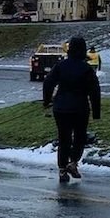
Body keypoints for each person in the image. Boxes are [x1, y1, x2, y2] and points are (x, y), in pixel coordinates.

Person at [42, 36, 101, 183]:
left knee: (64, 138)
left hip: (61, 107)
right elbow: (95, 91)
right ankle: (73, 163)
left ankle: (62, 169)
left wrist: (47, 101)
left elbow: (48, 83)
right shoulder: (86, 69)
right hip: (80, 108)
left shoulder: (61, 66)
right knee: (79, 137)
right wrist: (96, 111)